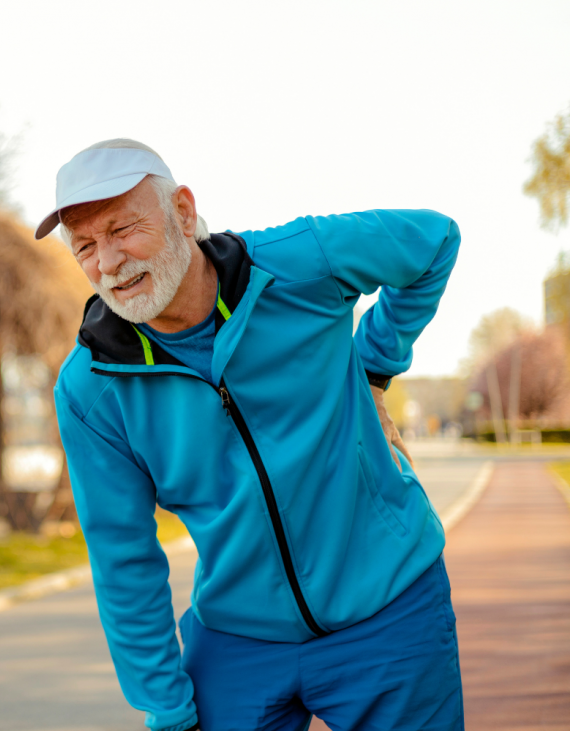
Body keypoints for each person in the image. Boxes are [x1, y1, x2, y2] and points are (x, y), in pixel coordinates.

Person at [38, 139, 463, 731]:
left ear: (183, 213)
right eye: (85, 245)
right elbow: (123, 557)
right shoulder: (90, 389)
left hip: (388, 608)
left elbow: (434, 241)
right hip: (236, 639)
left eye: (122, 229)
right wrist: (165, 707)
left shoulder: (300, 262)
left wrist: (373, 366)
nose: (107, 261)